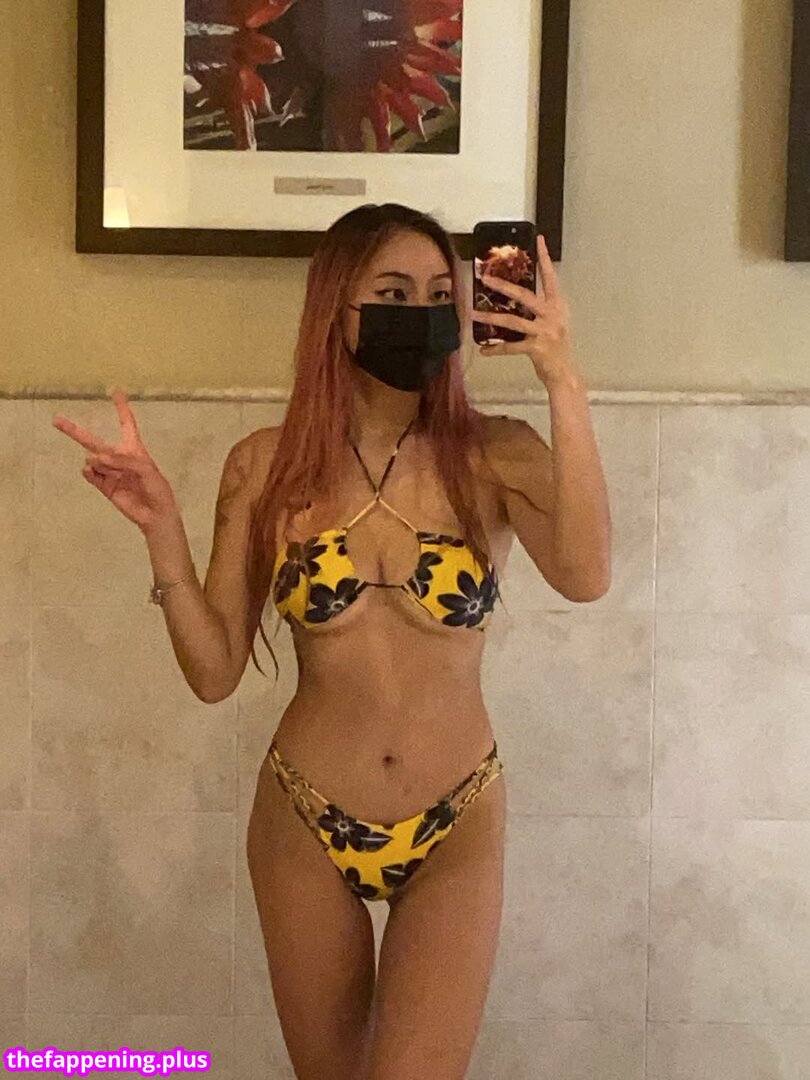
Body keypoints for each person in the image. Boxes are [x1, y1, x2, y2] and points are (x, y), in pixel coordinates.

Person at [52, 203, 611, 1080]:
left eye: (440, 294)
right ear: (335, 310)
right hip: (304, 816)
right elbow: (213, 671)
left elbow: (587, 574)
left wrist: (563, 379)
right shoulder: (266, 464)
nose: (420, 312)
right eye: (392, 293)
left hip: (457, 817)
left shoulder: (497, 455)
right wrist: (161, 532)